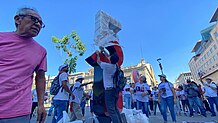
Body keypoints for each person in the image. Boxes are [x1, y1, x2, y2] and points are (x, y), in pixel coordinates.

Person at [0, 7, 47, 123]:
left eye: (41, 23)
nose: (38, 25)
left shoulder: (41, 51)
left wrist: (41, 105)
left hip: (18, 111)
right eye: (34, 19)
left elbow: (40, 77)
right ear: (17, 19)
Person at [96, 49, 122, 123]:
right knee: (115, 108)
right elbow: (109, 57)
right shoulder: (116, 66)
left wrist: (98, 54)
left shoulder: (107, 66)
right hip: (115, 90)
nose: (109, 57)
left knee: (111, 110)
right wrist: (103, 51)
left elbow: (98, 62)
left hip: (109, 90)